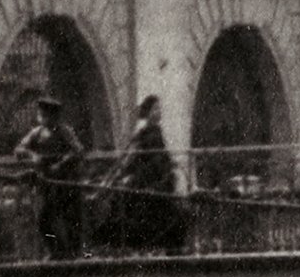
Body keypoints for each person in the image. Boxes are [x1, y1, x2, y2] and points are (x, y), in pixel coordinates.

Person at [105, 94, 186, 254]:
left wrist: (169, 166)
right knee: (161, 215)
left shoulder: (154, 132)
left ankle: (170, 249)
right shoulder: (144, 133)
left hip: (158, 179)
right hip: (151, 180)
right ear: (148, 112)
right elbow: (134, 156)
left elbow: (160, 156)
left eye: (159, 109)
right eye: (155, 109)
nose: (159, 112)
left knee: (167, 215)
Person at [15, 96, 86, 260]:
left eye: (46, 114)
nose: (43, 118)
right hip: (45, 183)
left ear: (53, 116)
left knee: (71, 219)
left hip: (66, 182)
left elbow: (78, 150)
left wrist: (61, 164)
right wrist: (32, 155)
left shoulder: (64, 131)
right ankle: (56, 250)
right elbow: (19, 149)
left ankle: (73, 254)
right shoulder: (37, 133)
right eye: (42, 114)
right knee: (43, 219)